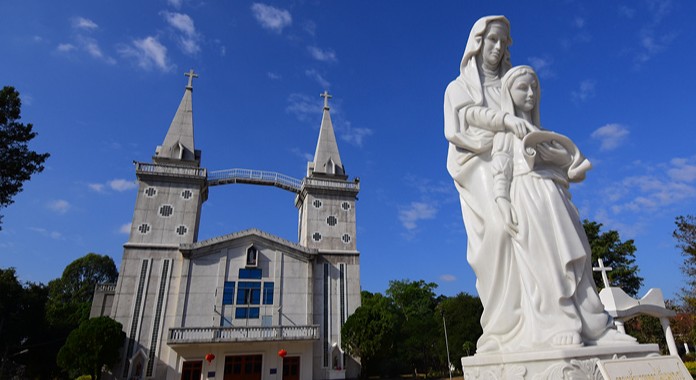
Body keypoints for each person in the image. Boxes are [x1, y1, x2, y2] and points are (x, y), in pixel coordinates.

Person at [444, 15, 536, 354]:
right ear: (477, 43)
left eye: (503, 42)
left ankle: (539, 312)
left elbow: (530, 119)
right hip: (477, 161)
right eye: (491, 40)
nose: (497, 48)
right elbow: (467, 120)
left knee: (535, 224)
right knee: (499, 228)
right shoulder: (458, 88)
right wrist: (504, 122)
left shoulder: (511, 82)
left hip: (516, 161)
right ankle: (503, 322)